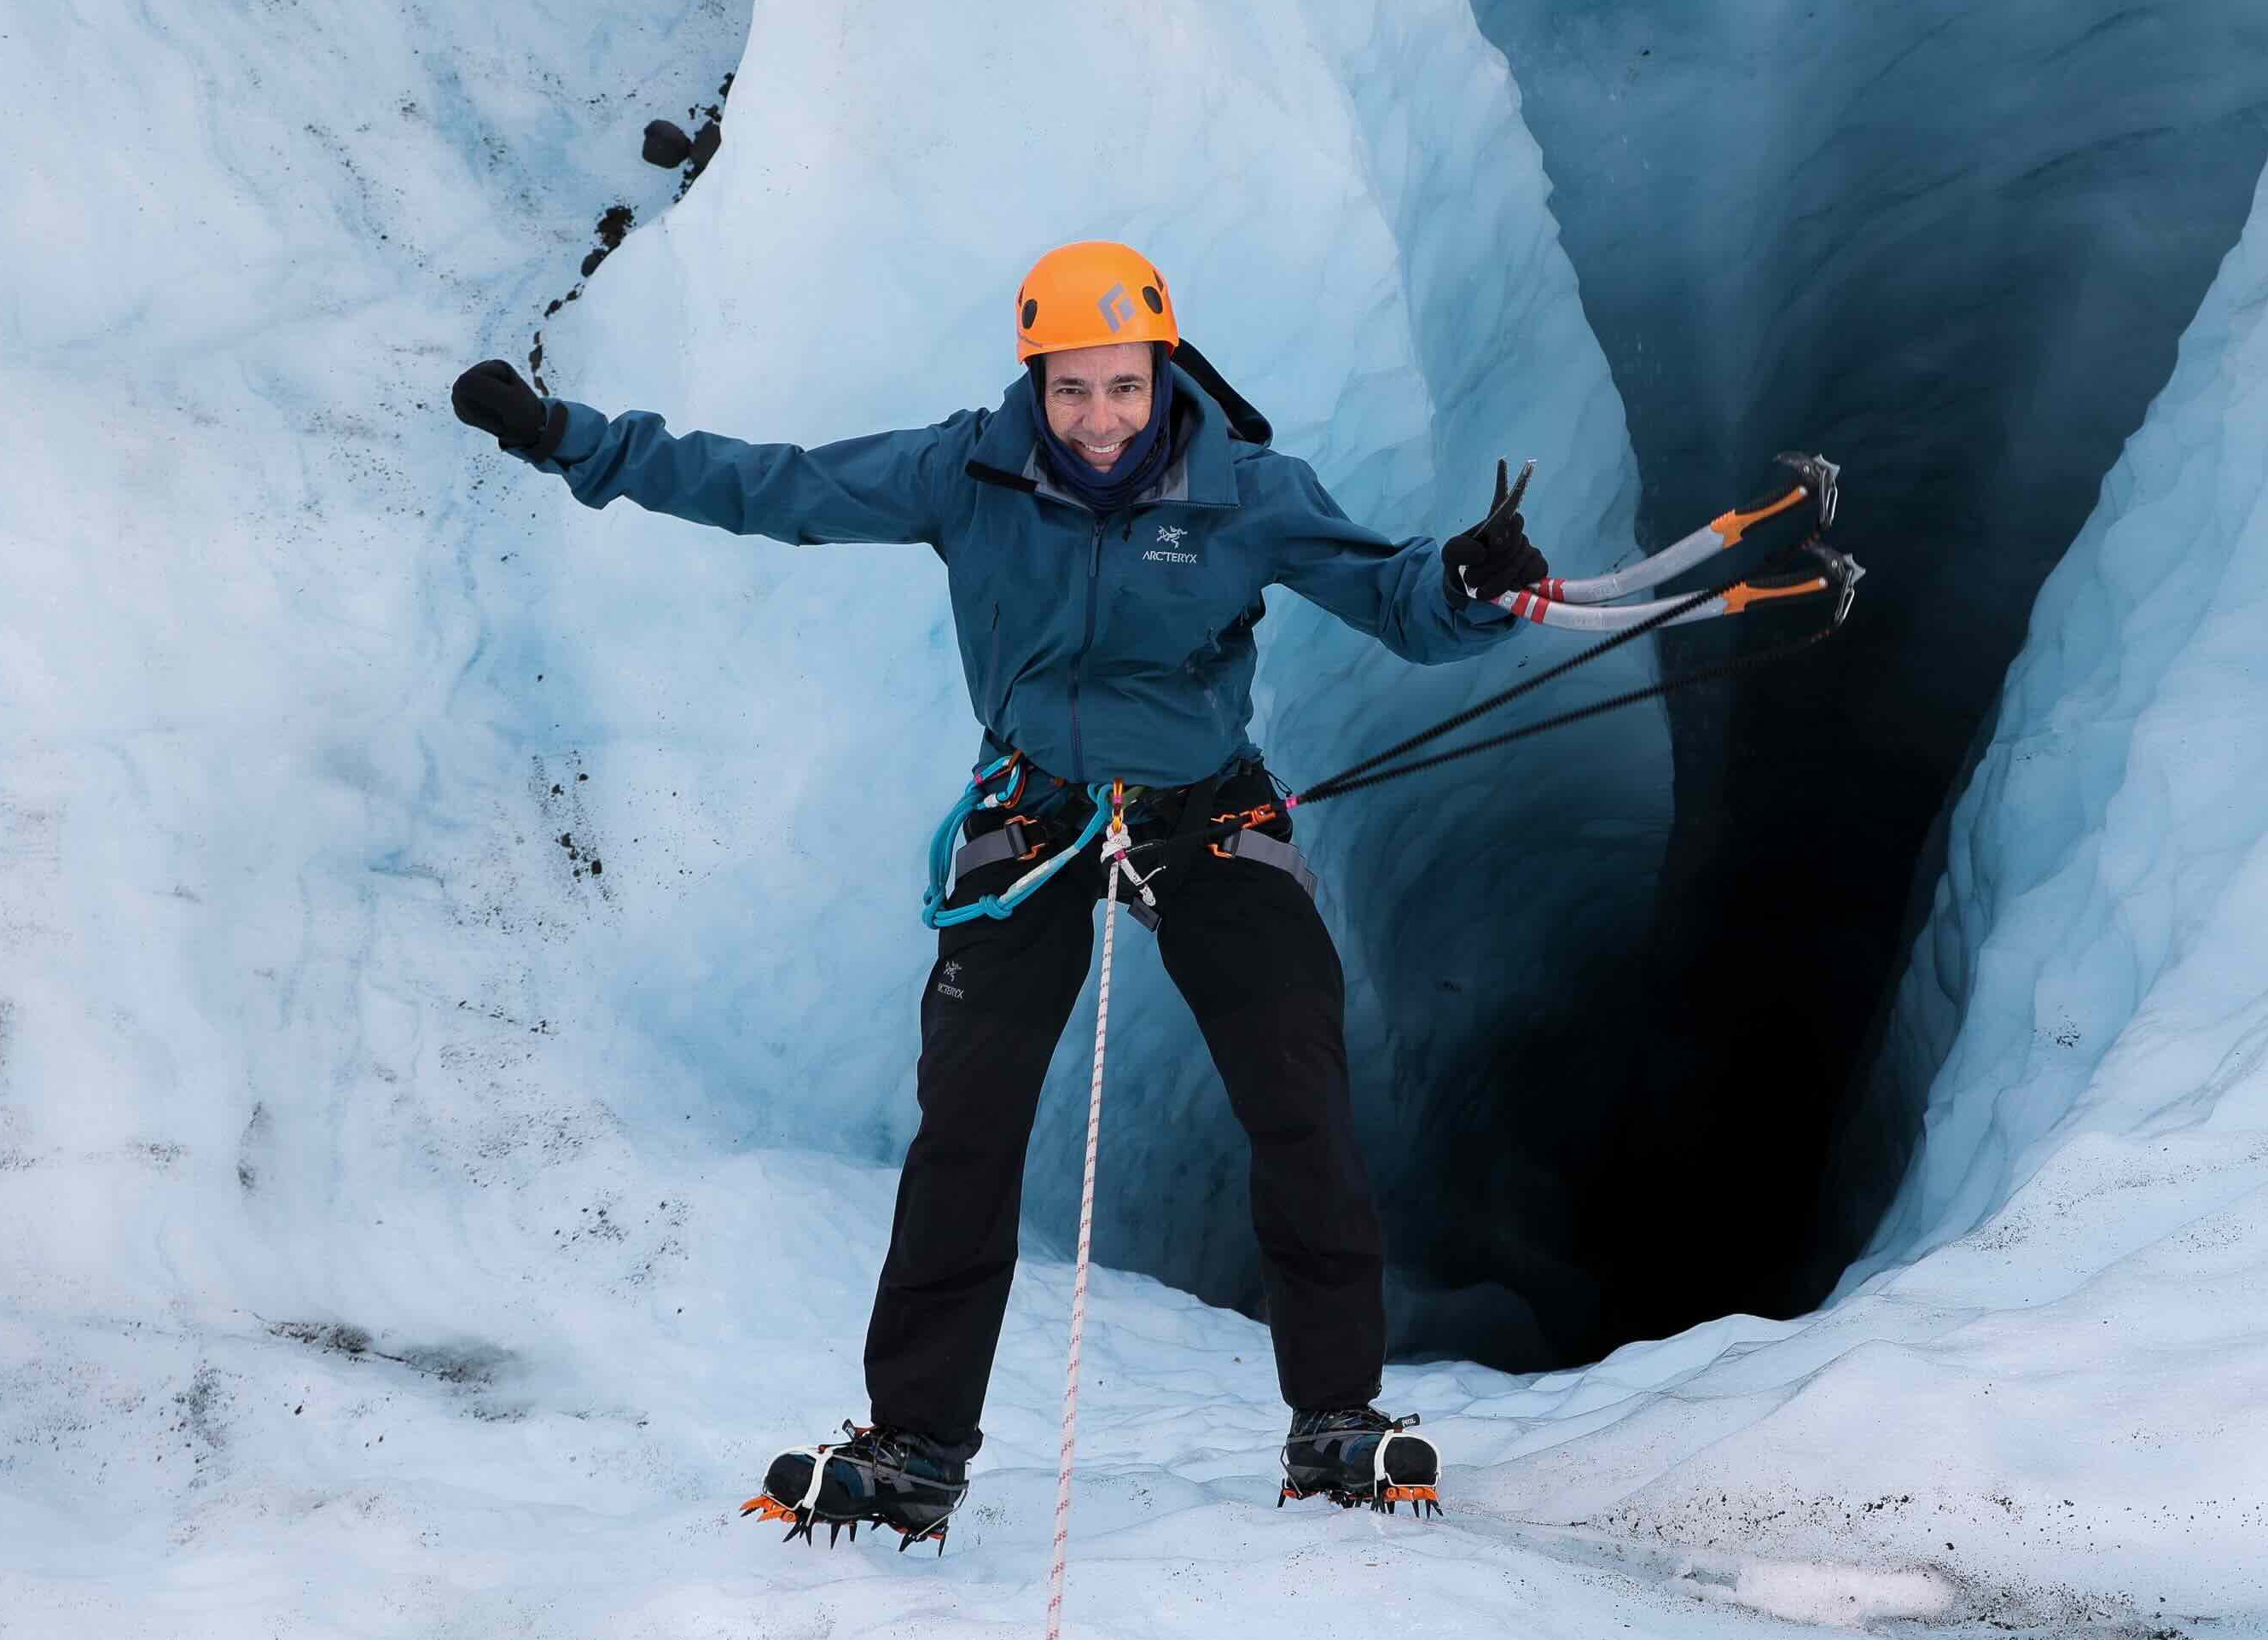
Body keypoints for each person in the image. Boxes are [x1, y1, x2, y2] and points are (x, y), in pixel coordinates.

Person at [448, 239, 1547, 1545]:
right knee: (966, 1120)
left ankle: (1336, 1423)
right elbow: (773, 487)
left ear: (1162, 372)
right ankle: (913, 1444)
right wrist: (577, 442)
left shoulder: (1246, 491)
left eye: (1123, 388)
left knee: (1295, 1089)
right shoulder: (965, 472)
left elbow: (1393, 594)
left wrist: (1468, 588)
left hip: (1205, 817)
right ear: (1037, 379)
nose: (1099, 419)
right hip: (1035, 816)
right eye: (1072, 390)